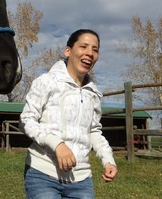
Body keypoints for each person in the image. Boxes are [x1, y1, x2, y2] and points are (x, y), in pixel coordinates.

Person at [19, 29, 118, 199]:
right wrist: (56, 144)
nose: (90, 53)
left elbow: (93, 131)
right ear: (68, 51)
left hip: (81, 181)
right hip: (43, 175)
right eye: (84, 46)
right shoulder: (47, 81)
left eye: (95, 49)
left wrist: (108, 159)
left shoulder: (93, 94)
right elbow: (26, 120)